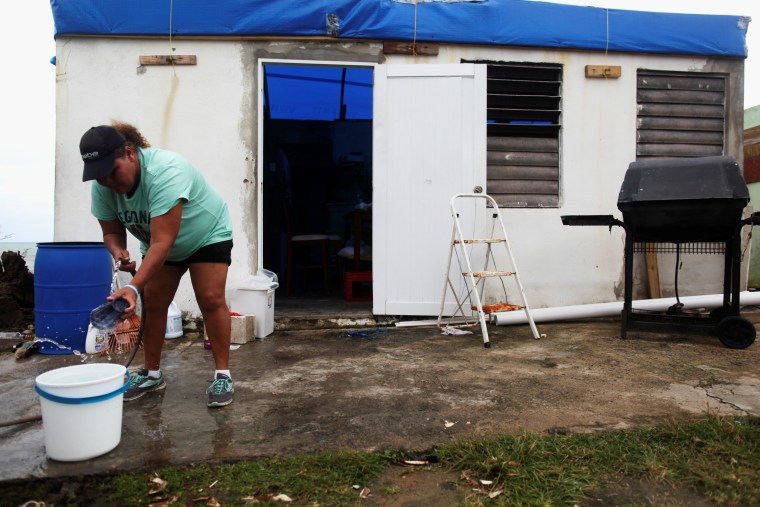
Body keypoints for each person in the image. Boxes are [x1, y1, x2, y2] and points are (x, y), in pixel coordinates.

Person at [80, 121, 235, 407]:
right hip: (160, 244)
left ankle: (222, 374)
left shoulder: (165, 171)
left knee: (211, 299)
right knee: (153, 302)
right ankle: (152, 374)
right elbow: (112, 232)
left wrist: (133, 287)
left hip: (206, 234)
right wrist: (118, 252)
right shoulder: (103, 186)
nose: (108, 182)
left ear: (129, 153)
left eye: (112, 172)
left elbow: (163, 242)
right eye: (100, 177)